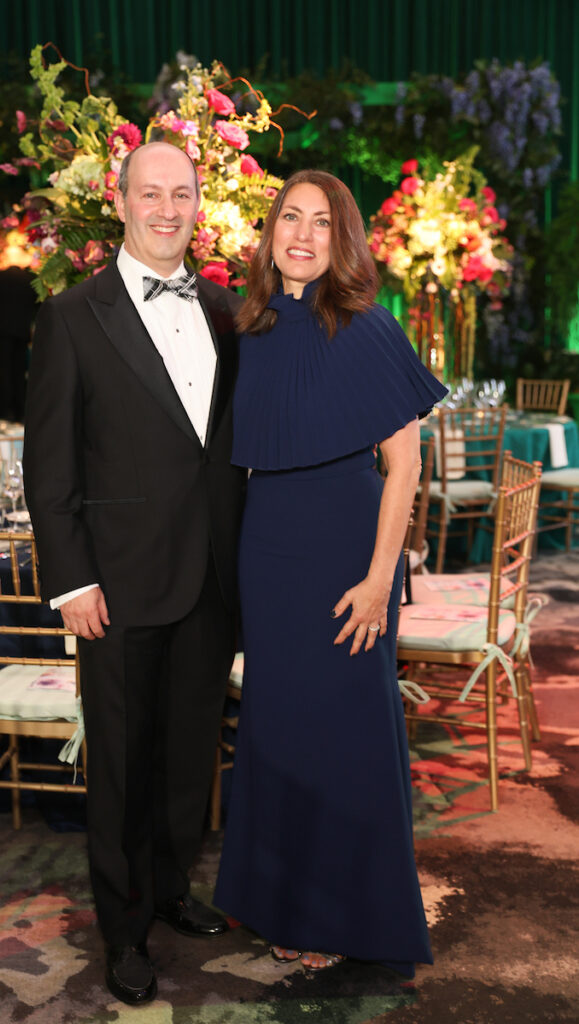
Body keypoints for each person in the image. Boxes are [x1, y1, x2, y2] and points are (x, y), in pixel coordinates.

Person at [23, 141, 245, 1007]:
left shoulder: (227, 310)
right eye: (149, 194)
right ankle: (122, 931)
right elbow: (50, 466)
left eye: (181, 193)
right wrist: (71, 580)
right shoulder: (72, 315)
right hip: (113, 586)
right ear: (118, 203)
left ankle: (166, 888)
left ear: (198, 204)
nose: (166, 209)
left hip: (211, 579)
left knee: (190, 754)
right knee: (119, 762)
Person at [214, 169, 448, 977]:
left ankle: (349, 911)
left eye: (321, 222)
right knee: (277, 730)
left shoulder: (366, 326)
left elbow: (404, 463)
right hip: (267, 547)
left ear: (341, 238)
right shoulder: (246, 327)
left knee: (343, 734)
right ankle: (278, 899)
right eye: (290, 217)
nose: (303, 234)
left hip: (348, 552)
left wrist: (382, 576)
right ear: (269, 230)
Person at [0, 247, 38, 422]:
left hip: (1, 332)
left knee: (3, 373)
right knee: (20, 373)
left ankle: (6, 412)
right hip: (21, 332)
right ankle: (21, 412)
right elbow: (36, 306)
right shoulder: (30, 280)